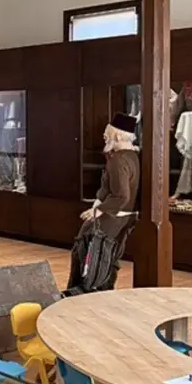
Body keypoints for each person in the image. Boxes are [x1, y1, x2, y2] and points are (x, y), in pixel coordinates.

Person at [67, 113, 140, 293]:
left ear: (118, 136)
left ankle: (82, 292)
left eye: (107, 134)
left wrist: (99, 210)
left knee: (88, 251)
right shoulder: (133, 156)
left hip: (112, 216)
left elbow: (121, 196)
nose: (104, 137)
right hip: (125, 217)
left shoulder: (118, 161)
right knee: (108, 257)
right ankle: (100, 292)